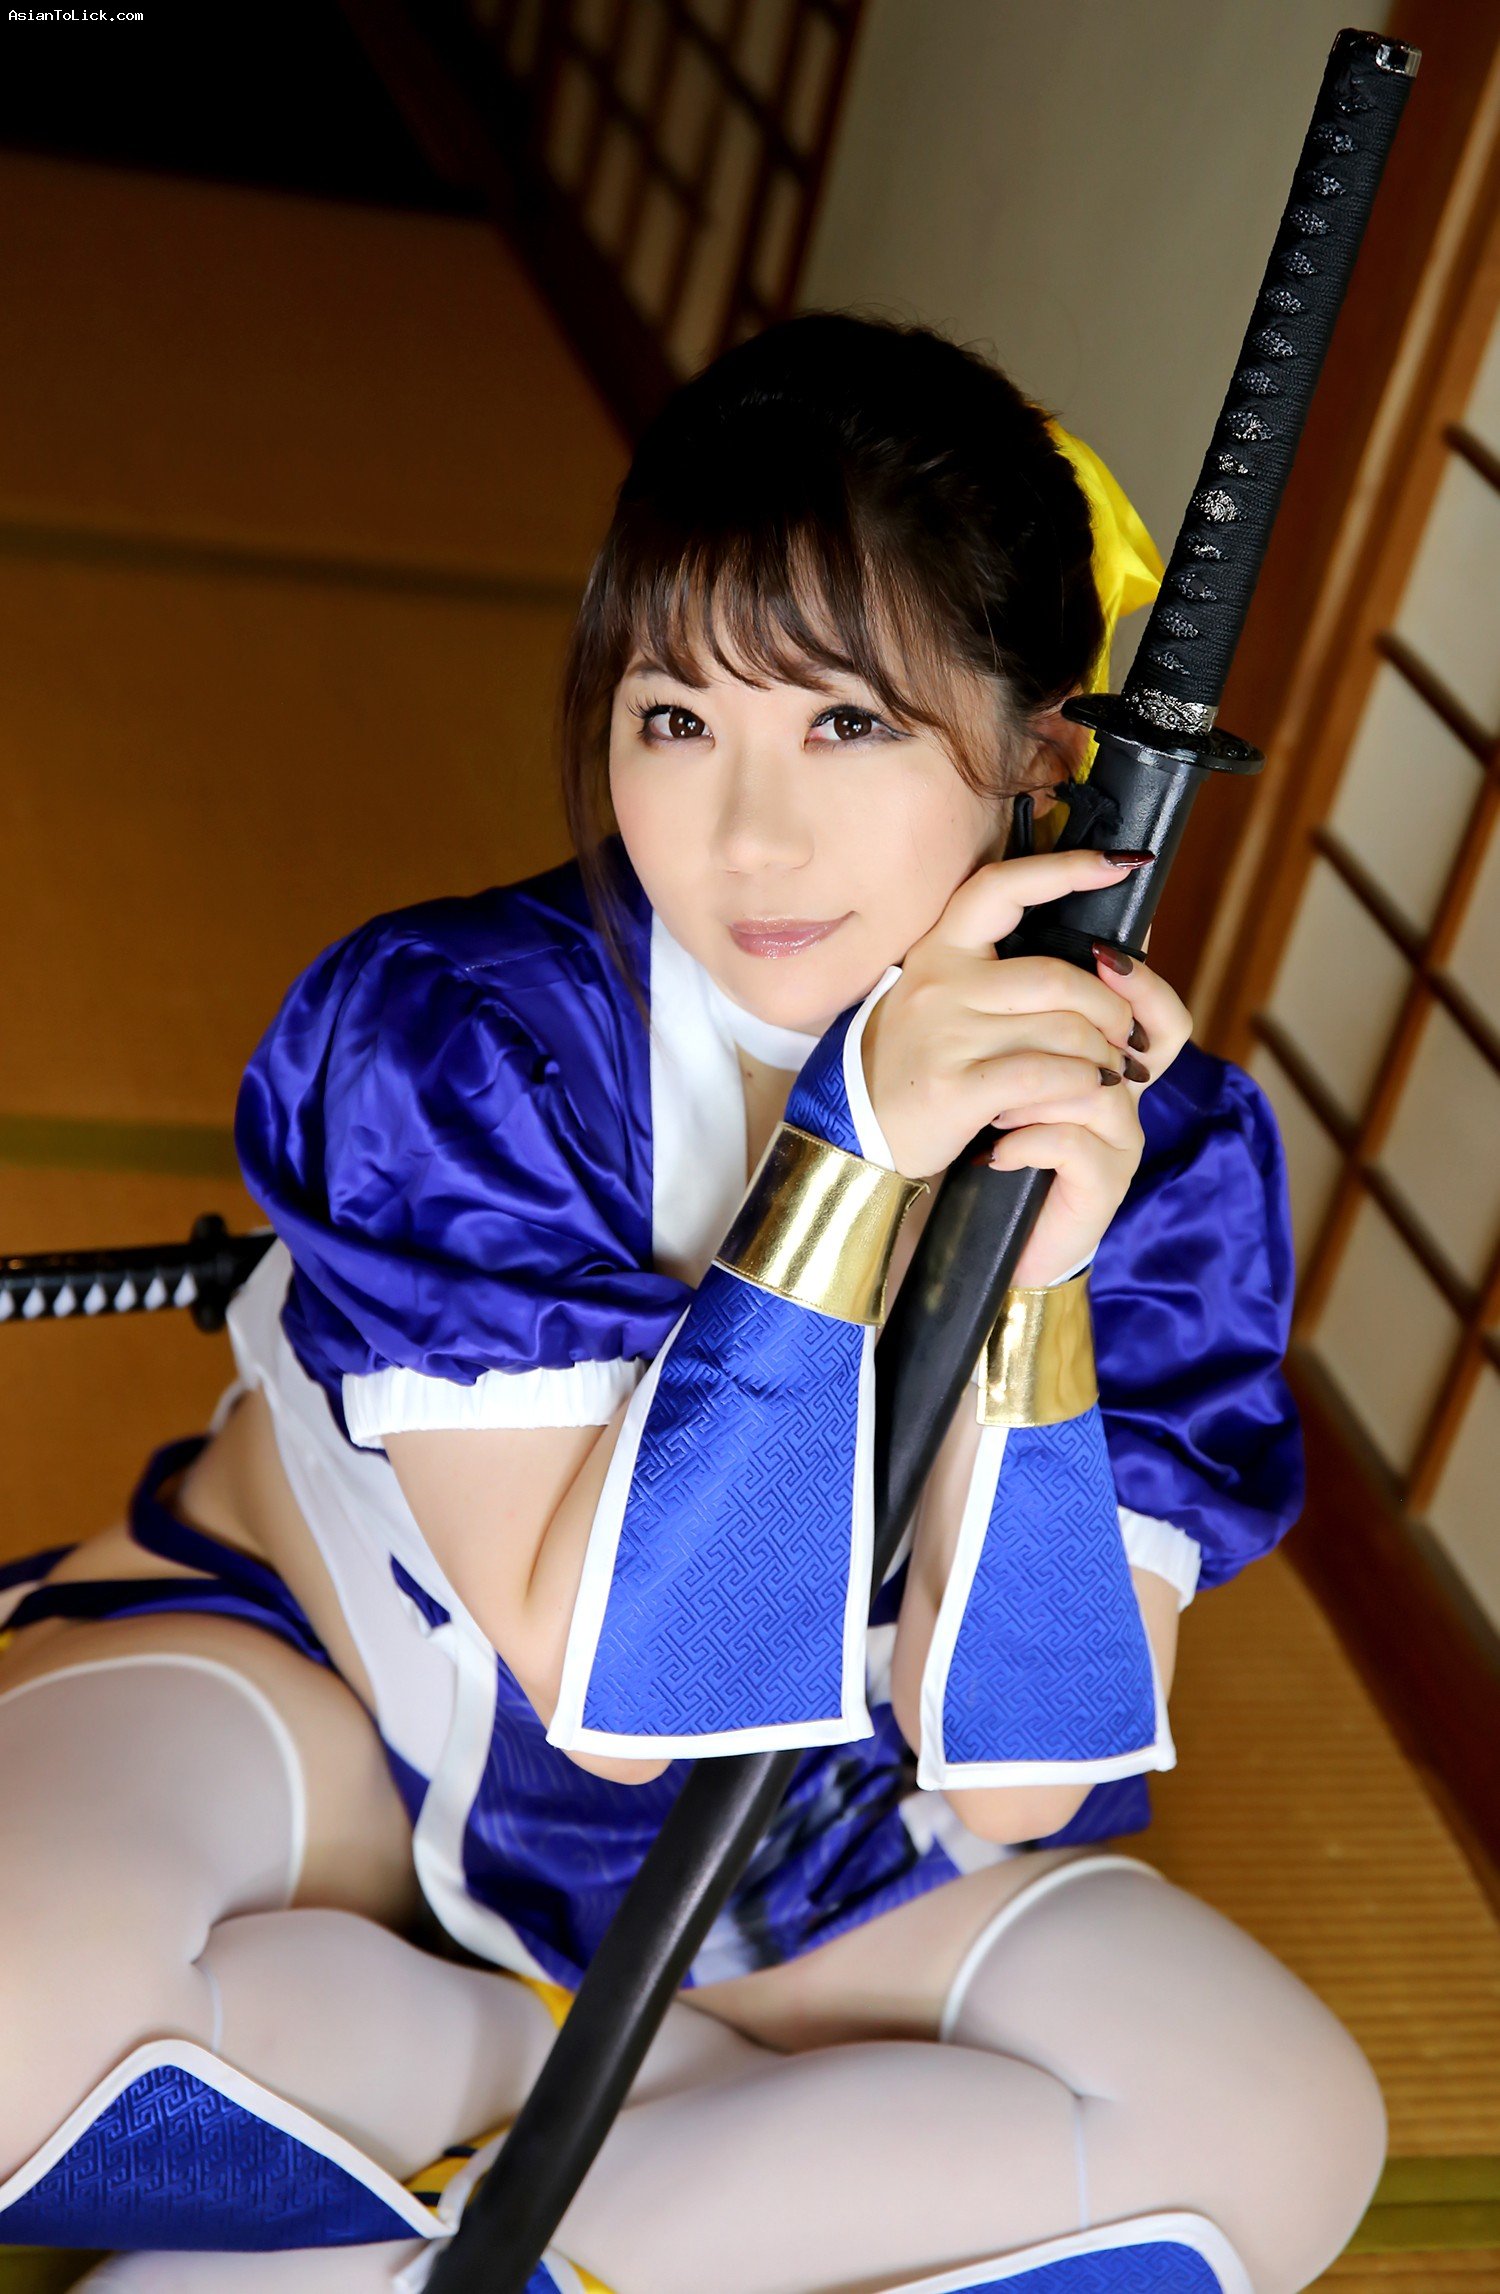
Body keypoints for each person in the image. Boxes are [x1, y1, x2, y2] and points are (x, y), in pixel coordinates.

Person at [0, 314, 1384, 2294]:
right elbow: (607, 1686)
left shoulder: (1165, 1149)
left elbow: (1017, 1779)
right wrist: (855, 1153)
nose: (748, 833)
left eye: (850, 726)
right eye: (676, 719)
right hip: (322, 1693)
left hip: (792, 1841)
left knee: (1281, 2133)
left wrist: (1032, 1279)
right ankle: (650, 2136)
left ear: (1044, 751)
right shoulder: (463, 1031)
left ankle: (412, 2208)